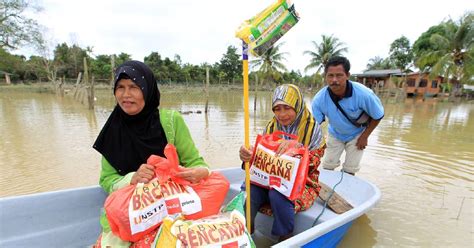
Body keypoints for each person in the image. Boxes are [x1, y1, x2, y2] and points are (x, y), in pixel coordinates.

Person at [93, 60, 210, 246]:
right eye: (120, 87)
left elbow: (198, 164)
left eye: (133, 87)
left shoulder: (171, 122)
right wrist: (132, 178)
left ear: (147, 89)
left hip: (172, 210)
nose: (126, 95)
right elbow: (107, 180)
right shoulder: (112, 130)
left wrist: (199, 172)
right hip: (130, 216)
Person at [239, 84, 325, 241]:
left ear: (297, 106)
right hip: (269, 179)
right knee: (251, 191)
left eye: (287, 108)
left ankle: (284, 238)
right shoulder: (272, 126)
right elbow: (261, 160)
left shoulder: (312, 129)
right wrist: (248, 156)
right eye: (277, 109)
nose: (282, 114)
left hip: (302, 182)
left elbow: (313, 164)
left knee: (278, 193)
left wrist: (296, 149)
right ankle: (245, 235)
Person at [311, 56, 384, 175]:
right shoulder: (319, 99)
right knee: (327, 167)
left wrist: (365, 136)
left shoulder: (364, 94)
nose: (334, 80)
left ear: (347, 75)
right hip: (335, 133)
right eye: (330, 75)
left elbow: (378, 115)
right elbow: (314, 126)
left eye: (339, 75)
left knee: (350, 169)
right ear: (326, 77)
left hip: (357, 134)